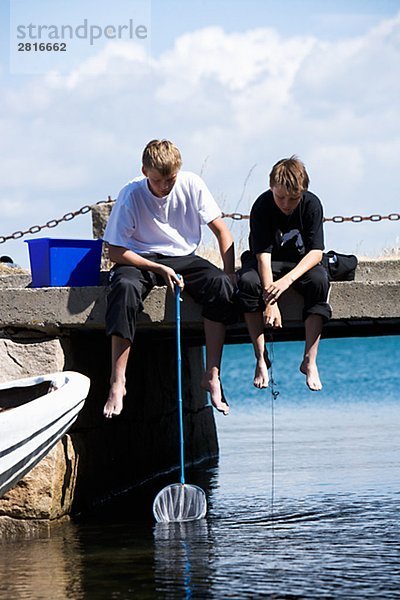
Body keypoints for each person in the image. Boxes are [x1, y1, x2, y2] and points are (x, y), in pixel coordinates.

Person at [102, 139, 237, 418]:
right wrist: (157, 268)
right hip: (139, 257)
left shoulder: (192, 184)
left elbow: (224, 233)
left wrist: (230, 273)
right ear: (144, 172)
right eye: (158, 180)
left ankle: (211, 374)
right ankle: (118, 381)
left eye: (171, 179)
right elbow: (115, 251)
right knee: (124, 288)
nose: (165, 186)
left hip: (183, 257)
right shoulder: (131, 194)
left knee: (222, 286)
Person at [236, 156, 331, 391]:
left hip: (298, 264)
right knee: (248, 282)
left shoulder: (312, 205)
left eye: (293, 198)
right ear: (271, 188)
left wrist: (286, 282)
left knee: (320, 280)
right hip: (269, 262)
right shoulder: (262, 206)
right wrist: (271, 302)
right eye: (281, 197)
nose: (286, 204)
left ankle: (309, 360)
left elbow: (316, 252)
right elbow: (263, 258)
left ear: (303, 192)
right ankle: (260, 358)